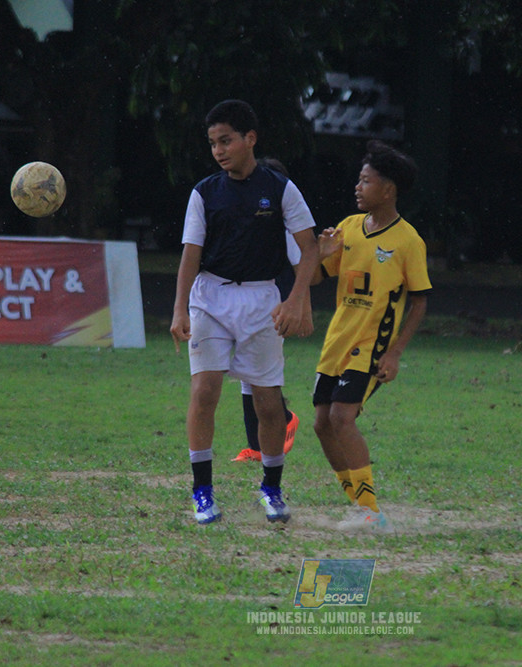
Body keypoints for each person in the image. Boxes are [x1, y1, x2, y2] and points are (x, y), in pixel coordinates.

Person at [171, 100, 319, 525]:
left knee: (268, 404)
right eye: (213, 143)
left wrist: (295, 300)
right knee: (205, 391)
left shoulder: (281, 189)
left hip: (261, 302)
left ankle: (271, 489)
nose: (218, 150)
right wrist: (180, 309)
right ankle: (202, 492)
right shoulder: (204, 193)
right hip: (210, 298)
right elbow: (190, 255)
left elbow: (310, 249)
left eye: (226, 141)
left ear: (250, 139)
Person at [311, 140, 431, 533]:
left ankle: (370, 511)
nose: (357, 187)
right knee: (321, 424)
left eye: (366, 181)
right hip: (336, 342)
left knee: (341, 418)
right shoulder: (347, 227)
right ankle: (359, 505)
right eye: (359, 180)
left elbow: (419, 302)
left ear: (388, 190)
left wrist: (395, 353)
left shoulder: (408, 241)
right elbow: (313, 278)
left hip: (370, 347)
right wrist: (318, 254)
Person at [232, 158, 300, 463]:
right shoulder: (253, 220)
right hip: (248, 304)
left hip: (274, 305)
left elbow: (301, 267)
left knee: (258, 374)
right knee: (247, 374)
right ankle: (256, 446)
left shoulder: (287, 225)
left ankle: (280, 422)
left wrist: (293, 304)